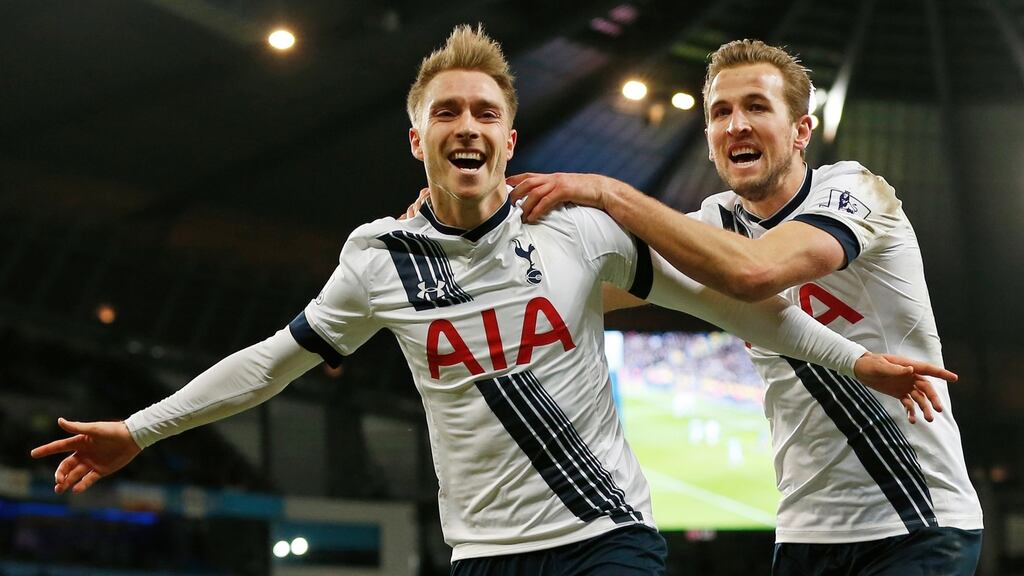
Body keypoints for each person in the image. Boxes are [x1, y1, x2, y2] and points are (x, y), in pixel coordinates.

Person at [32, 29, 953, 575]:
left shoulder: (584, 233)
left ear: (511, 138)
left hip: (611, 539)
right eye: (447, 114)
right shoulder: (378, 260)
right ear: (416, 139)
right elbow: (275, 359)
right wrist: (141, 430)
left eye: (483, 115)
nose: (466, 127)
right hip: (485, 554)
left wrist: (858, 360)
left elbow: (738, 300)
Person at [506, 39, 982, 575]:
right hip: (805, 531)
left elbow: (755, 273)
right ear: (709, 139)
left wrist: (609, 193)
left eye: (756, 106)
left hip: (916, 521)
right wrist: (452, 230)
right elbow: (576, 287)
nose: (736, 125)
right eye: (720, 112)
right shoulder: (712, 227)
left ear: (801, 131)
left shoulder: (856, 191)